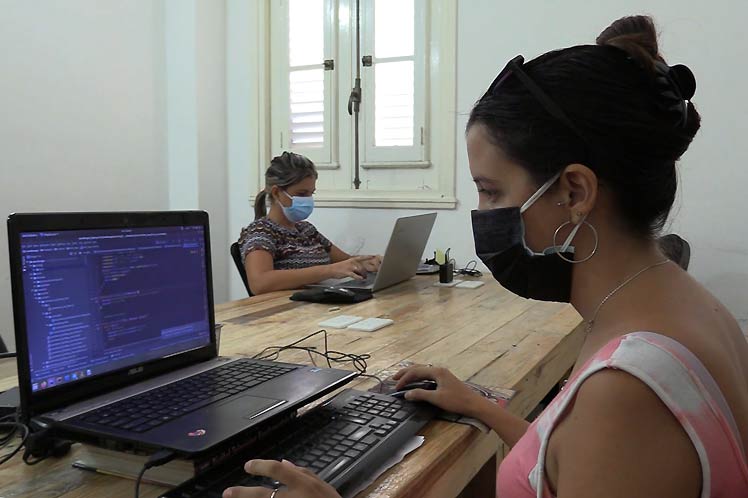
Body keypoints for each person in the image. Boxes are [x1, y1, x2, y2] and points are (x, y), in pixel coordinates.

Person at [224, 15, 748, 498]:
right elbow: (567, 462)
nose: (482, 212)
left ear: (574, 192)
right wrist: (480, 406)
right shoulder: (685, 306)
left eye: (491, 191)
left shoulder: (625, 393)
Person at [238, 151, 381, 294]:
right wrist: (329, 271)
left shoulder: (306, 230)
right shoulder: (261, 232)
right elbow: (260, 283)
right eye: (301, 194)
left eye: (311, 193)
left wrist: (367, 262)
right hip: (286, 306)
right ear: (276, 193)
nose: (308, 200)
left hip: (317, 302)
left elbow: (345, 261)